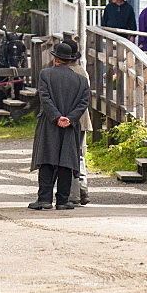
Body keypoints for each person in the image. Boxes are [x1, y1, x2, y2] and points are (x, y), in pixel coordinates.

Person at [29, 42, 90, 211]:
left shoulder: (45, 75)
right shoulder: (81, 80)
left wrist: (56, 117)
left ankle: (44, 199)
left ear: (55, 58)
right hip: (70, 126)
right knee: (66, 162)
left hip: (49, 124)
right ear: (70, 60)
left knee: (47, 160)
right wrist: (69, 119)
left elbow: (45, 98)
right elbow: (83, 103)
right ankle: (63, 201)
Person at [57, 39, 91, 206]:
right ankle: (83, 189)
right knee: (79, 156)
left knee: (67, 156)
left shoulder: (60, 73)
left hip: (68, 119)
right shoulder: (82, 72)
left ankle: (73, 194)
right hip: (82, 119)